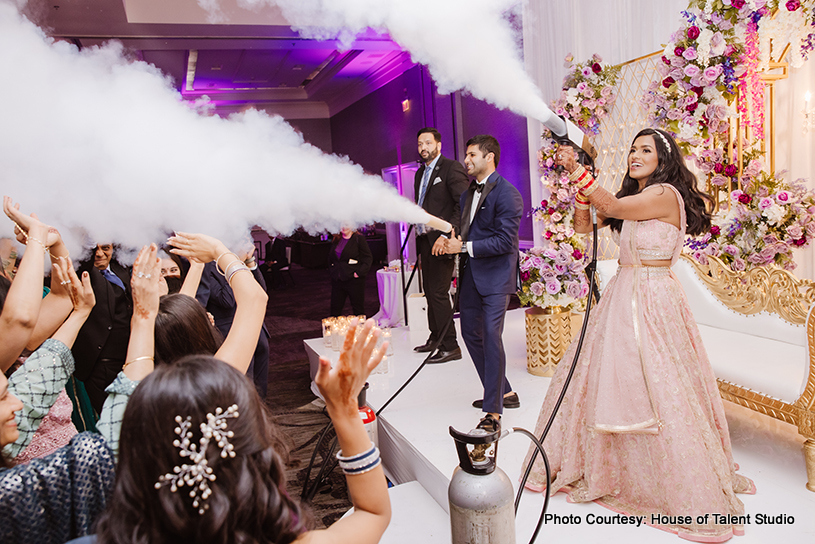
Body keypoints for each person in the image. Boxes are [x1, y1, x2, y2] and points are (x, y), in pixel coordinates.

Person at [521, 128, 754, 542]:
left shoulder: (664, 195)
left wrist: (581, 170)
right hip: (622, 297)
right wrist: (581, 186)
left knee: (658, 386)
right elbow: (582, 224)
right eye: (632, 148)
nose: (634, 154)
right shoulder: (633, 201)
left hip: (653, 299)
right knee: (607, 382)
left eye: (645, 149)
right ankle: (614, 467)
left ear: (664, 159)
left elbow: (607, 203)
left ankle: (667, 477)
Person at [436, 135, 523, 432]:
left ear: (490, 157)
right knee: (470, 334)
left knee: (490, 334)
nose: (467, 160)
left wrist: (462, 248)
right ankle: (503, 392)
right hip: (472, 276)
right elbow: (466, 230)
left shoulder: (508, 194)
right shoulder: (466, 194)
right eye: (467, 155)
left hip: (497, 278)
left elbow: (504, 241)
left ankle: (493, 413)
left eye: (472, 155)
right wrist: (451, 237)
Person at [413, 128, 469, 363]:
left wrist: (447, 235)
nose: (423, 147)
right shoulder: (419, 173)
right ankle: (435, 337)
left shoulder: (451, 168)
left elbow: (463, 204)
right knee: (430, 292)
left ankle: (450, 346)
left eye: (427, 142)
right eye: (419, 144)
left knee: (438, 292)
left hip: (443, 241)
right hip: (425, 240)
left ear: (439, 145)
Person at [195, 245, 271, 398]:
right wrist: (237, 265)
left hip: (257, 330)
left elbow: (261, 292)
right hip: (230, 333)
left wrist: (249, 263)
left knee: (260, 381)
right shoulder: (208, 266)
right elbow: (227, 300)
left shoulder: (241, 260)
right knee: (243, 381)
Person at [72, 243, 133, 415]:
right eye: (93, 249)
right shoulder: (82, 274)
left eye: (105, 248)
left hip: (128, 359)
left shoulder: (121, 269)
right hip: (99, 363)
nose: (99, 254)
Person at [329, 225, 372, 317]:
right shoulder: (337, 239)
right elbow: (331, 259)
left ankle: (361, 330)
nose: (344, 227)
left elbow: (368, 258)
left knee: (358, 309)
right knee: (335, 310)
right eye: (342, 224)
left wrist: (358, 273)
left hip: (354, 280)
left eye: (347, 224)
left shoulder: (358, 239)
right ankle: (334, 331)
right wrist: (333, 271)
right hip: (338, 280)